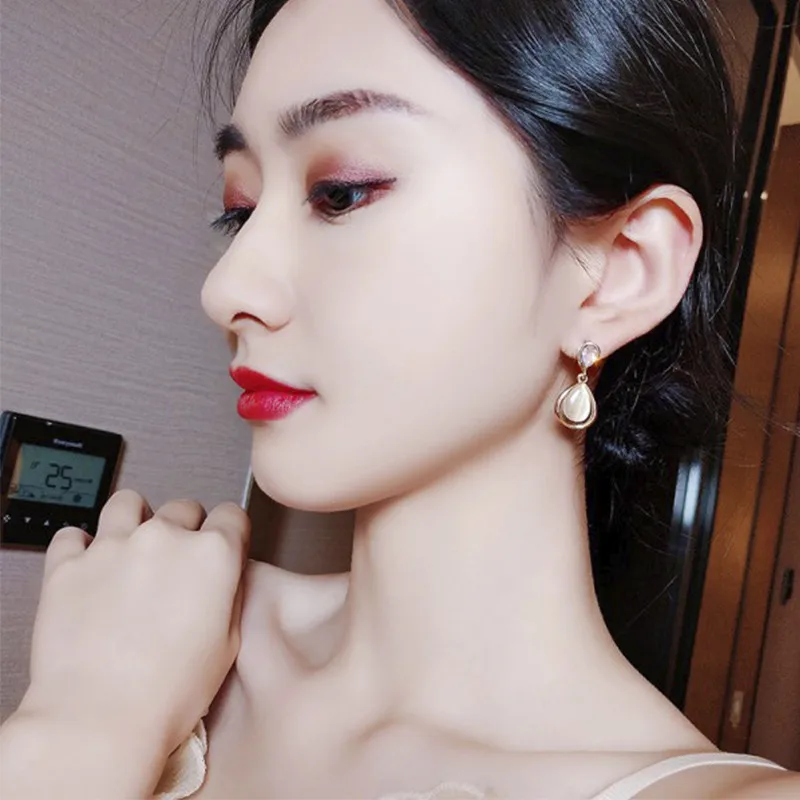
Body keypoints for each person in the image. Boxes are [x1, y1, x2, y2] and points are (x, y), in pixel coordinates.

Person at [1, 0, 798, 797]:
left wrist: (80, 738)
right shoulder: (144, 632)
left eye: (340, 194)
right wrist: (93, 713)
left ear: (621, 268)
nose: (226, 288)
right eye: (240, 211)